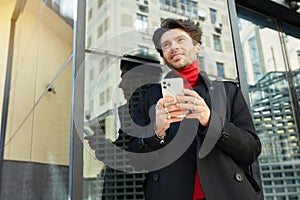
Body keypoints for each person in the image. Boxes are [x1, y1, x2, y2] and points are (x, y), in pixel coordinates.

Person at [128, 18, 262, 200]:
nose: (173, 47)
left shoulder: (228, 92)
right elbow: (135, 160)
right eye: (166, 45)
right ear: (164, 57)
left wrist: (211, 121)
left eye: (180, 40)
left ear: (197, 47)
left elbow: (251, 151)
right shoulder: (150, 98)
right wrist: (156, 133)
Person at [85, 53, 162, 199]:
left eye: (125, 78)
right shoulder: (147, 106)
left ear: (141, 78)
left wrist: (102, 145)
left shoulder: (141, 106)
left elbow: (134, 158)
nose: (120, 85)